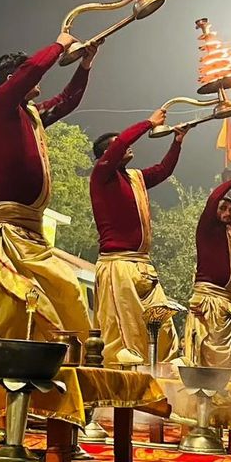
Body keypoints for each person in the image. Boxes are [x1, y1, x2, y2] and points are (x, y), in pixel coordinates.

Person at [0, 35, 97, 344]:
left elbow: (67, 101)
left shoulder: (30, 114)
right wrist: (58, 45)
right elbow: (33, 70)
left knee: (65, 291)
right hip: (5, 231)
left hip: (32, 235)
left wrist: (85, 65)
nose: (34, 76)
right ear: (13, 78)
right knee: (6, 310)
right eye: (24, 71)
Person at [90, 110, 188, 366]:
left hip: (143, 266)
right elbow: (122, 142)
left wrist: (177, 142)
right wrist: (149, 123)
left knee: (163, 329)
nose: (127, 146)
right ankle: (119, 394)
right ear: (106, 156)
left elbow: (163, 170)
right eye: (118, 145)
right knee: (124, 338)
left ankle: (160, 385)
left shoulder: (135, 178)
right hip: (118, 265)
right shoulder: (101, 175)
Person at [184, 174, 231, 366]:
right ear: (215, 211)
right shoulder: (207, 227)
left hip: (225, 301)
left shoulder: (230, 231)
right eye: (223, 209)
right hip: (208, 299)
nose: (228, 212)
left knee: (224, 359)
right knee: (206, 352)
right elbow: (212, 200)